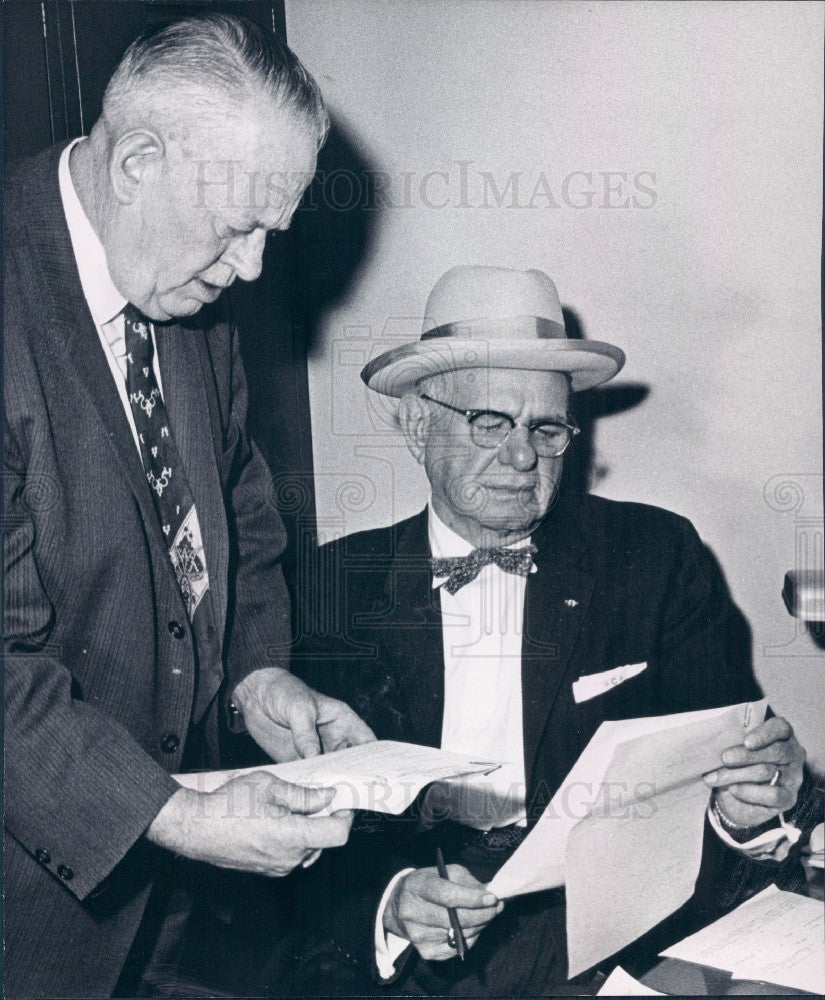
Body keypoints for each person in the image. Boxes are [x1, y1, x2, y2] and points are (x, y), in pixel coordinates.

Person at [295, 266, 814, 995]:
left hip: (617, 942)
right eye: (489, 424)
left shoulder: (654, 557)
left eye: (546, 427)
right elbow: (293, 836)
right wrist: (389, 904)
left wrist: (751, 808)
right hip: (414, 954)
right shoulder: (331, 589)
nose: (522, 457)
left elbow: (729, 790)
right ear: (416, 423)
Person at [3, 14, 374, 999]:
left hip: (175, 922)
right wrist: (175, 815)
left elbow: (239, 518)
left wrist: (260, 680)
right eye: (236, 224)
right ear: (137, 162)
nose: (251, 270)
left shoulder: (181, 295)